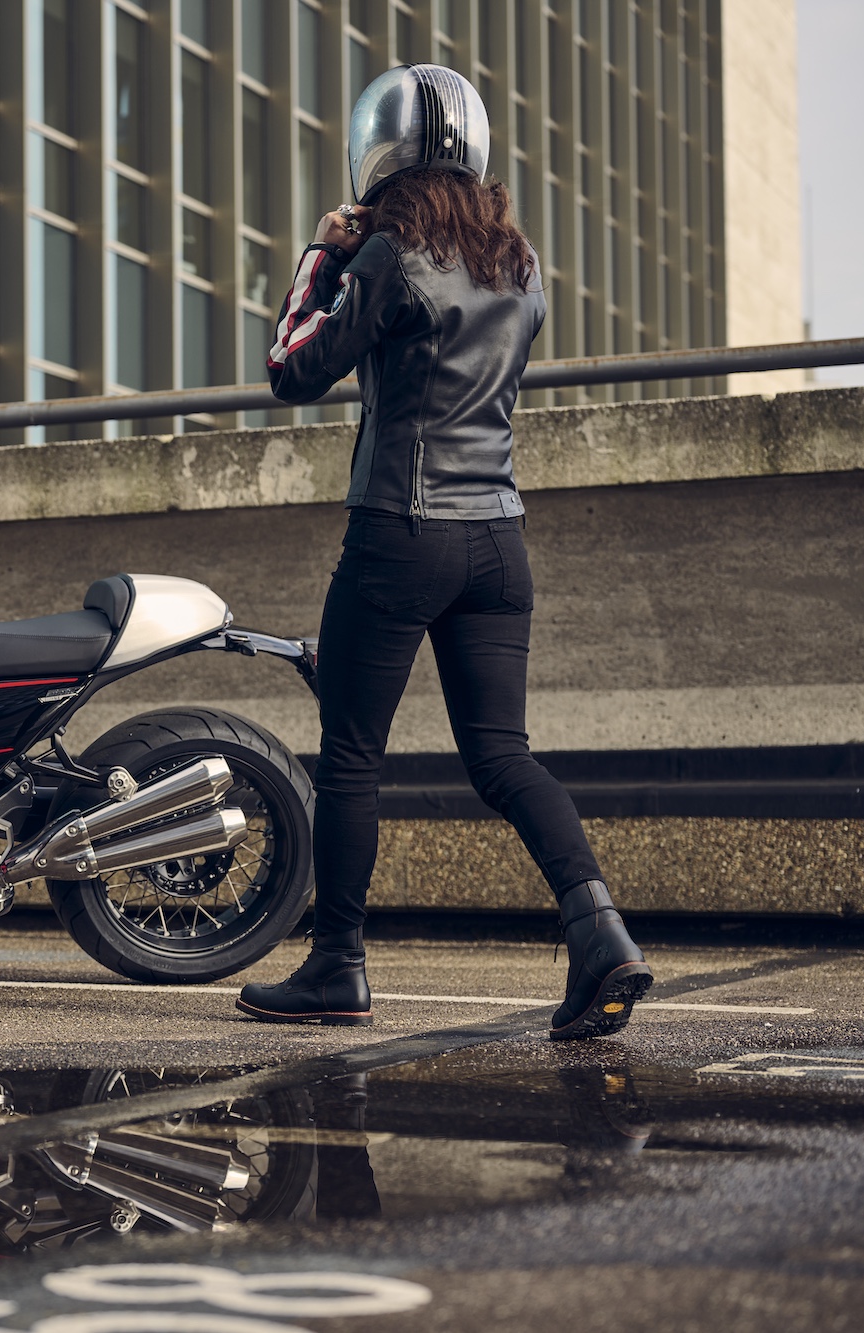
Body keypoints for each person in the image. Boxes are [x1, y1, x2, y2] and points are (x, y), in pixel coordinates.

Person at [236, 64, 651, 1040]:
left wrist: (319, 256)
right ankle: (600, 933)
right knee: (502, 757)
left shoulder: (386, 257)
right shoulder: (520, 266)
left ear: (376, 162)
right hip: (498, 543)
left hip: (400, 532)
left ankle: (336, 965)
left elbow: (289, 369)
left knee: (348, 756)